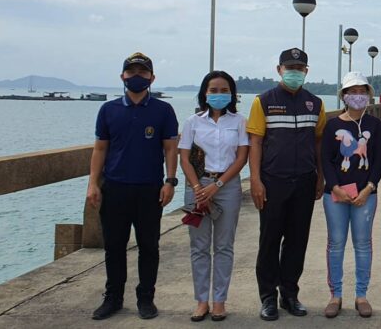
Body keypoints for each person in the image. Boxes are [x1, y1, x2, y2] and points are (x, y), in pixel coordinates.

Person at [86, 52, 179, 321]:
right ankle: (113, 298)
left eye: (142, 72)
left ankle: (145, 298)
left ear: (152, 77)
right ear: (122, 76)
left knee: (149, 246)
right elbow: (100, 148)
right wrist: (93, 183)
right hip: (114, 188)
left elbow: (170, 148)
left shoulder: (163, 110)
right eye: (132, 72)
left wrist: (170, 181)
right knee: (114, 246)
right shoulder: (108, 110)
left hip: (149, 189)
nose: (137, 77)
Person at [247, 47, 327, 321]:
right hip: (272, 181)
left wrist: (320, 175)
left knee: (297, 241)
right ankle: (267, 297)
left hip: (304, 180)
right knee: (269, 240)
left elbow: (318, 141)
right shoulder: (264, 101)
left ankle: (289, 294)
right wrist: (255, 180)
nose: (294, 72)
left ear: (306, 71)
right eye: (289, 67)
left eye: (299, 68)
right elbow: (255, 142)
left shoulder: (315, 103)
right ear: (279, 70)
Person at [177, 70, 249, 322]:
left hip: (226, 186)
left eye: (224, 90)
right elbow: (183, 157)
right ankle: (201, 301)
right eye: (213, 90)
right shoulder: (192, 122)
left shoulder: (239, 121)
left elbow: (242, 157)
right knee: (199, 247)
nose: (219, 95)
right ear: (205, 93)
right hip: (197, 185)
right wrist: (198, 188)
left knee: (223, 246)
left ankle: (219, 301)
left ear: (232, 94)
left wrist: (217, 184)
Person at [319, 72, 381, 318]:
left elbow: (378, 160)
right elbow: (325, 159)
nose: (357, 96)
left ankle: (361, 295)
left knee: (363, 244)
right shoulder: (333, 125)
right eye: (352, 91)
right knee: (335, 244)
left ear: (368, 95)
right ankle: (335, 295)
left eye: (362, 91)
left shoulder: (375, 126)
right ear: (344, 96)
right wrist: (335, 187)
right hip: (335, 195)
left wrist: (369, 188)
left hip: (365, 195)